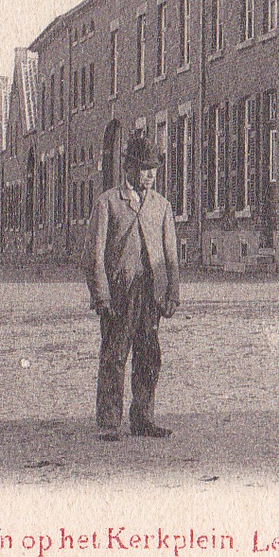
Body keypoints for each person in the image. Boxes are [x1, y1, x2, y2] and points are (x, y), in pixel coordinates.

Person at [86, 134, 181, 441]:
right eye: (143, 168)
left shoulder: (162, 206)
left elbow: (170, 256)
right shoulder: (108, 203)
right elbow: (93, 256)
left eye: (153, 169)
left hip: (150, 294)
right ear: (127, 168)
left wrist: (172, 293)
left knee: (149, 356)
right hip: (119, 294)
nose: (150, 175)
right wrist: (101, 295)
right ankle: (109, 422)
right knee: (114, 355)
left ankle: (143, 418)